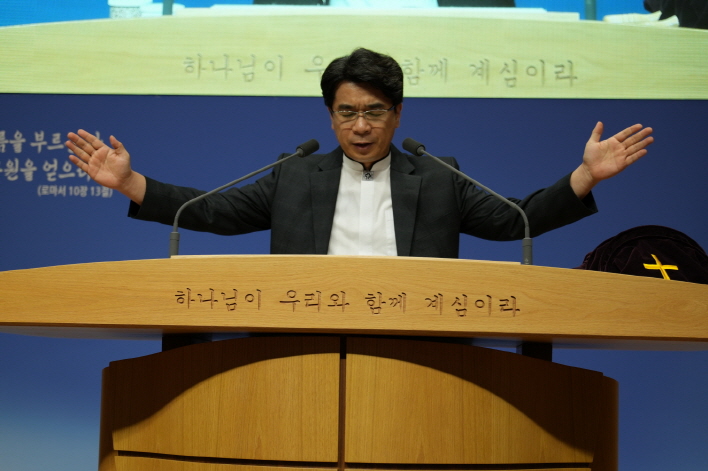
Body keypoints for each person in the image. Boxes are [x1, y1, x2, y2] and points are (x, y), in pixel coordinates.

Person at [66, 48, 653, 346]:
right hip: (303, 337)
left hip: (419, 338)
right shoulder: (295, 174)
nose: (361, 126)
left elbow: (513, 220)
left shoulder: (437, 175)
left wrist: (585, 176)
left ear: (397, 114)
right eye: (347, 112)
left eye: (375, 111)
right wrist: (131, 184)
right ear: (330, 116)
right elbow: (214, 212)